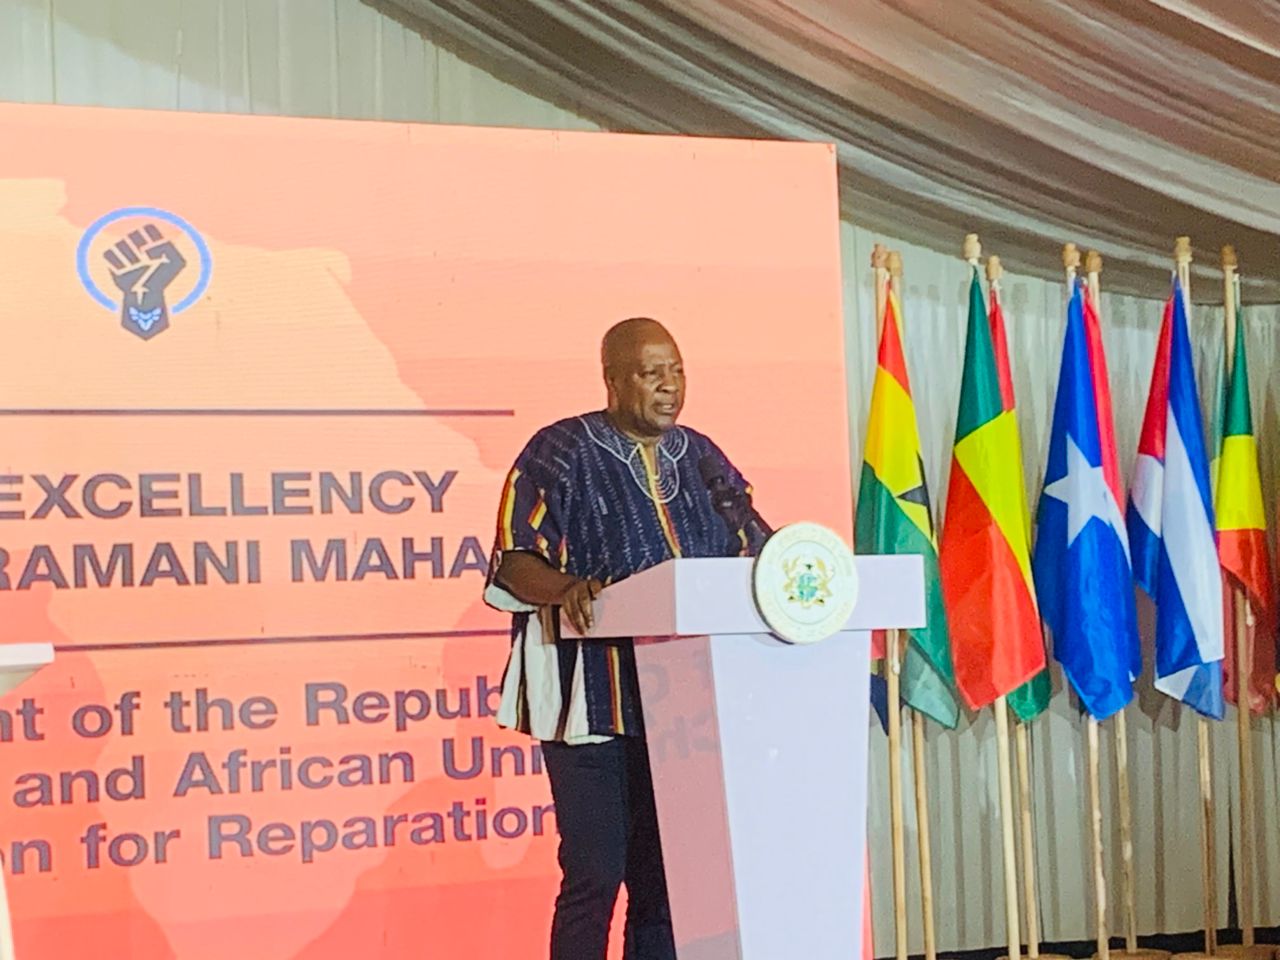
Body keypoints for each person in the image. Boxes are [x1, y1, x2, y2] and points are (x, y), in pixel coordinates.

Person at [483, 317, 767, 960]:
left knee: (662, 880)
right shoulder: (559, 451)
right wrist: (565, 587)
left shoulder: (702, 456)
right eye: (651, 373)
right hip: (590, 699)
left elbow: (753, 543)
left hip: (684, 705)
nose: (670, 386)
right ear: (612, 380)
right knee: (595, 874)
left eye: (677, 371)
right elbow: (514, 561)